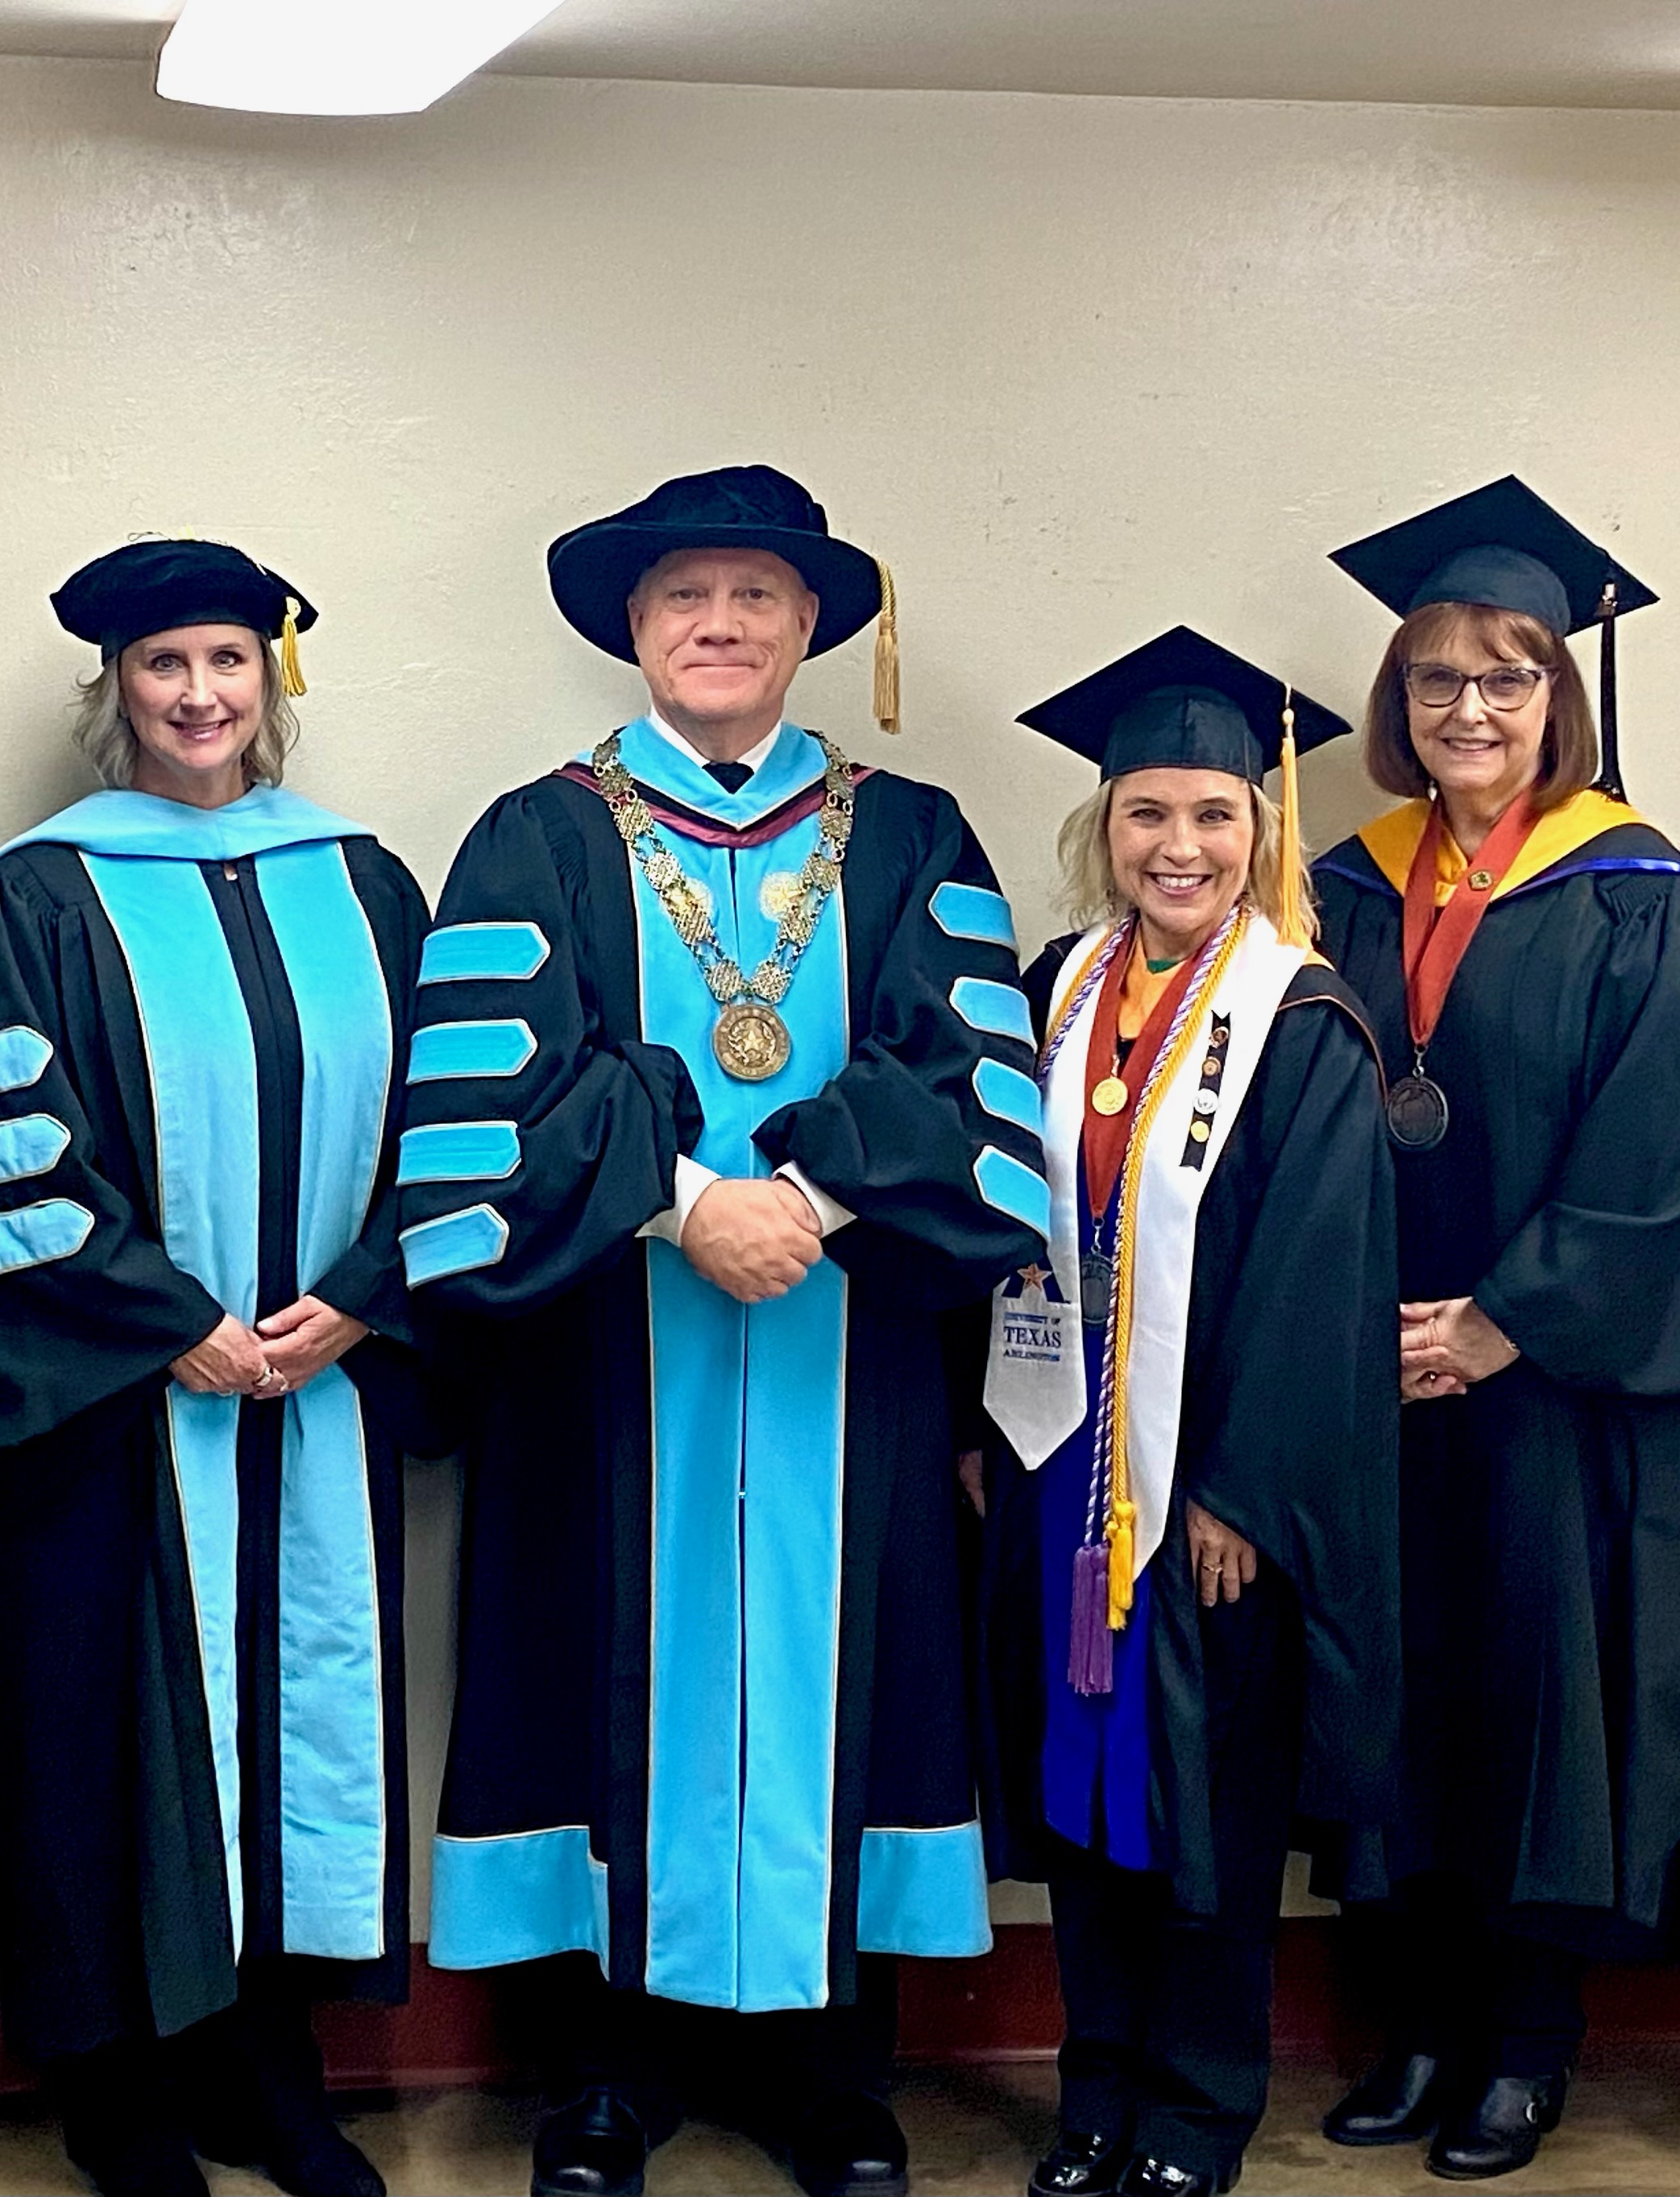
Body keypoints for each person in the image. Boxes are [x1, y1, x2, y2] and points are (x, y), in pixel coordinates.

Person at [403, 464, 1047, 2197]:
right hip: (608, 1365)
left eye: (756, 596)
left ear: (811, 626)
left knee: (854, 1681)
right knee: (605, 1663)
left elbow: (979, 1083)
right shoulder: (533, 834)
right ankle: (605, 2076)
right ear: (633, 624)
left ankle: (838, 2077)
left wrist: (816, 1202)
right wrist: (686, 1200)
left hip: (855, 1372)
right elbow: (478, 1122)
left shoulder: (913, 835)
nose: (719, 623)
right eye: (686, 593)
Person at [0, 541, 426, 2197]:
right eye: (162, 667)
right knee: (101, 1739)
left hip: (321, 1396)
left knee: (294, 1730)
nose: (199, 694)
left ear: (272, 676)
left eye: (225, 659)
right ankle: (116, 2085)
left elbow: (459, 1121)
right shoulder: (39, 892)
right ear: (112, 689)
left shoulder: (363, 878)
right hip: (120, 1413)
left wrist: (358, 1297)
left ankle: (264, 2068)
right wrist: (164, 1319)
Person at [1304, 477, 1680, 2181]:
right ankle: (1413, 2025)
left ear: (1561, 696)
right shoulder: (1346, 883)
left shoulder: (1643, 895)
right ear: (1398, 703)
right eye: (1436, 680)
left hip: (1548, 1387)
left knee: (1534, 1700)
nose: (1471, 710)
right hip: (1372, 1375)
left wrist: (1503, 1321)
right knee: (1394, 1693)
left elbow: (1679, 1154)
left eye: (1507, 677)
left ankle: (1520, 2044)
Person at [969, 628, 1400, 2197]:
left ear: (1259, 829)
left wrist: (1240, 1488)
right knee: (1088, 1802)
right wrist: (982, 1410)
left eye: (1213, 816)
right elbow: (1001, 1211)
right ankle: (1096, 2088)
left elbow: (1320, 1280)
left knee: (1201, 1800)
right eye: (1148, 814)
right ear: (1106, 827)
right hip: (1061, 1469)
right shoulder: (1055, 987)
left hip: (1200, 1491)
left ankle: (1199, 2106)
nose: (1180, 847)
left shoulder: (1298, 1021)